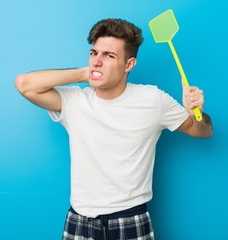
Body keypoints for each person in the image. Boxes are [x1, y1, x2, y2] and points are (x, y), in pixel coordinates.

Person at [15, 18, 212, 240]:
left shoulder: (153, 99)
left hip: (131, 219)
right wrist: (84, 74)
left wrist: (198, 113)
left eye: (109, 56)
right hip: (80, 220)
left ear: (129, 65)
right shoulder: (74, 101)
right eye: (93, 53)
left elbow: (202, 131)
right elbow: (24, 84)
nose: (97, 61)